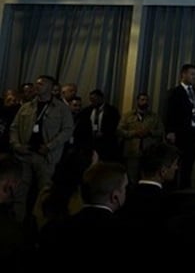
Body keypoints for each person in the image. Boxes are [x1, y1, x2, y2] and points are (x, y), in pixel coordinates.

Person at [9, 74, 74, 221]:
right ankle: (16, 223)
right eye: (37, 83)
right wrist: (17, 145)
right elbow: (14, 127)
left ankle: (41, 224)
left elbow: (67, 130)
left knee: (44, 193)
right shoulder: (27, 106)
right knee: (20, 191)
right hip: (25, 155)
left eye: (41, 84)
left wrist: (50, 146)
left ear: (51, 87)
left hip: (46, 157)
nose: (37, 86)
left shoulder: (61, 108)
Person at [163, 63, 195, 189]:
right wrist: (170, 131)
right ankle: (172, 190)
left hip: (193, 134)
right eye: (192, 74)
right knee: (175, 163)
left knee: (188, 165)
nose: (194, 77)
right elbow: (169, 113)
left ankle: (185, 189)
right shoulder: (175, 92)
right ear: (183, 74)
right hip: (179, 134)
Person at [118, 92, 163, 182]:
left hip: (149, 151)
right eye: (142, 100)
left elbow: (161, 131)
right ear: (137, 101)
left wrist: (150, 132)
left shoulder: (154, 117)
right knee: (132, 177)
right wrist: (134, 133)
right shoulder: (128, 116)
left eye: (146, 100)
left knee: (148, 177)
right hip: (132, 151)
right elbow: (119, 130)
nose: (144, 102)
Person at [87, 89, 121, 162]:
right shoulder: (88, 110)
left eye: (94, 98)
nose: (92, 101)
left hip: (107, 143)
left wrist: (104, 133)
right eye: (91, 99)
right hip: (92, 143)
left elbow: (114, 126)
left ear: (101, 98)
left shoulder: (112, 110)